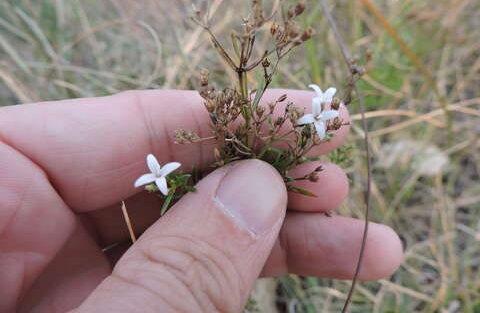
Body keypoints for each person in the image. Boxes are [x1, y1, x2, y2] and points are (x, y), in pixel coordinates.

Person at [0, 89, 402, 312]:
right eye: (158, 176)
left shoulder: (311, 118)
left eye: (320, 108)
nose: (158, 176)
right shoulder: (164, 179)